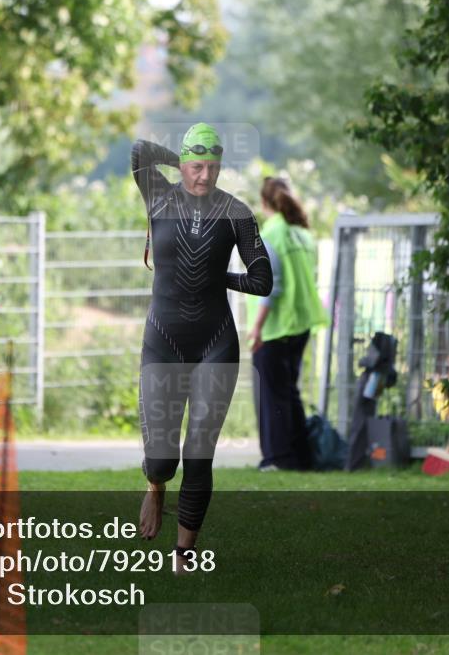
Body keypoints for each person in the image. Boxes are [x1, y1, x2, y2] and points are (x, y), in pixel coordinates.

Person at [131, 123, 272, 573]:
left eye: (212, 167)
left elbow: (262, 278)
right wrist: (179, 162)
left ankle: (184, 555)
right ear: (183, 164)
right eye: (196, 166)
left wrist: (220, 279)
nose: (204, 176)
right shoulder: (158, 195)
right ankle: (155, 486)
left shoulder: (236, 212)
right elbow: (139, 150)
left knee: (199, 452)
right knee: (162, 456)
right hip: (163, 340)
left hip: (216, 343)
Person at [246, 177, 327, 471]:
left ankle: (277, 458)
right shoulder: (301, 234)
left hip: (276, 326)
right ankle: (300, 456)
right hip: (301, 323)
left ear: (264, 203)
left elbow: (270, 285)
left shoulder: (271, 234)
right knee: (290, 391)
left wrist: (256, 328)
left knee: (272, 394)